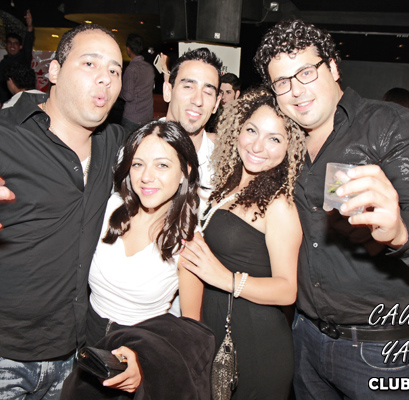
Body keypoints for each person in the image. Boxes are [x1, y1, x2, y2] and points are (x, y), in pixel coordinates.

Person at [253, 19, 409, 399]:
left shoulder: (391, 126)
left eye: (306, 72)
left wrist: (399, 230)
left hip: (379, 347)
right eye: (282, 82)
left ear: (332, 67)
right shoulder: (284, 144)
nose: (296, 90)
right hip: (305, 336)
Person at [0, 23, 127, 398]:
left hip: (68, 359)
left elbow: (175, 145)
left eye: (115, 70)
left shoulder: (116, 143)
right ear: (54, 71)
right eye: (90, 63)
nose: (105, 77)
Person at [62, 120, 213, 397]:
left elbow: (190, 333)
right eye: (138, 164)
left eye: (162, 165)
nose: (146, 177)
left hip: (140, 356)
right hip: (84, 345)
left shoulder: (188, 241)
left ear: (185, 172)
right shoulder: (109, 209)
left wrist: (144, 363)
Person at [180, 88, 305, 399]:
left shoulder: (279, 205)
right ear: (238, 129)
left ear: (290, 147)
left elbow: (287, 290)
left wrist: (225, 279)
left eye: (274, 138)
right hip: (218, 332)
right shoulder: (230, 184)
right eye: (251, 130)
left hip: (256, 345)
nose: (257, 146)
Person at [162, 47, 222, 209]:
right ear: (168, 91)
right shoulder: (137, 150)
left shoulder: (222, 167)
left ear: (216, 103)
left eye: (208, 92)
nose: (198, 100)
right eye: (188, 86)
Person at [0, 10, 34, 104]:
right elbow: (0, 85)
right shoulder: (3, 62)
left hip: (20, 101)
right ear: (6, 45)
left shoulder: (23, 59)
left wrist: (30, 26)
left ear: (20, 47)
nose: (12, 45)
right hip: (4, 102)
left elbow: (28, 44)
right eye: (10, 43)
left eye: (15, 43)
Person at [119, 33, 155, 131]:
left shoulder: (131, 69)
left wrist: (118, 91)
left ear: (128, 49)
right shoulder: (149, 68)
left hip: (132, 118)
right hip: (147, 117)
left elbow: (128, 96)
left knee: (128, 141)